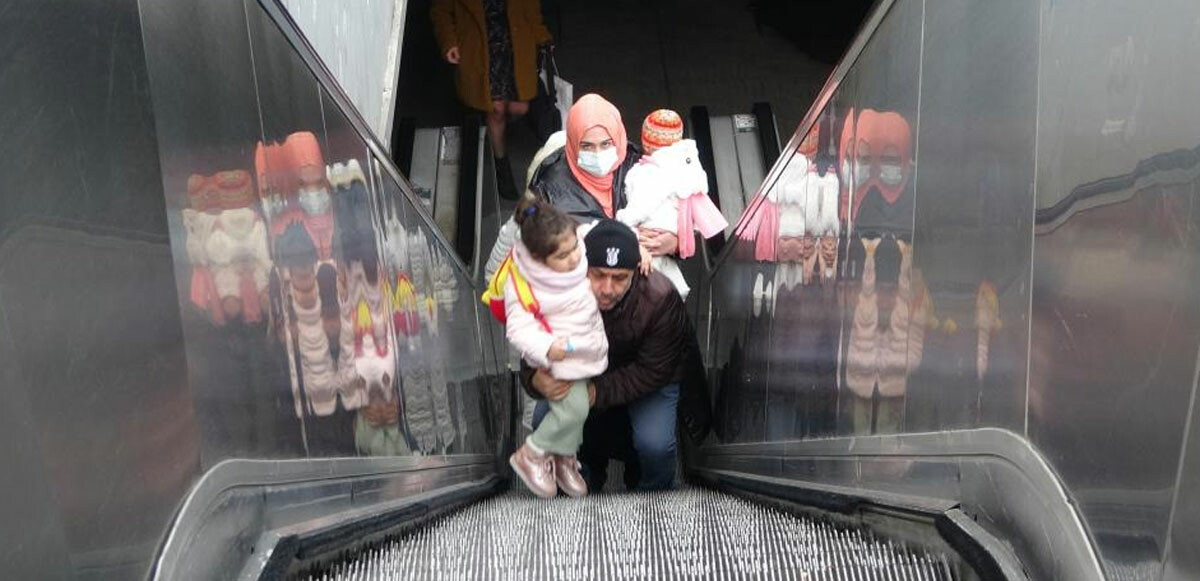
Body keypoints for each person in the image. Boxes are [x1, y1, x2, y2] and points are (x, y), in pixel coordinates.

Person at [522, 220, 710, 491]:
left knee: (655, 443)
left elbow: (653, 371)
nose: (607, 288)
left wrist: (595, 393)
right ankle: (583, 475)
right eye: (598, 275)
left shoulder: (660, 298)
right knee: (544, 420)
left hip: (650, 380)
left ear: (636, 270)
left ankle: (654, 493)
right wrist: (535, 380)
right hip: (584, 375)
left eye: (619, 277)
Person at [503, 199, 608, 499]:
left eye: (575, 247)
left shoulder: (576, 242)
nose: (575, 257)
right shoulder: (524, 283)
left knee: (581, 409)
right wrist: (547, 348)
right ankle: (531, 453)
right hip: (561, 357)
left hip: (587, 349)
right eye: (563, 256)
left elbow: (599, 231)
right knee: (572, 410)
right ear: (538, 257)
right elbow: (518, 328)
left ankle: (563, 460)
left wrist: (637, 244)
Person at [431, 0, 552, 200]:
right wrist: (449, 41)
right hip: (480, 52)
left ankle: (502, 129)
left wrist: (541, 36)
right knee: (495, 111)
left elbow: (531, 10)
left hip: (515, 49)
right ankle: (501, 166)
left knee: (520, 106)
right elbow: (440, 11)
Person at [618, 109, 727, 299]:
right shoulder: (686, 168)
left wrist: (621, 221)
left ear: (645, 141)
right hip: (662, 239)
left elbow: (642, 207)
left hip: (647, 237)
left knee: (647, 291)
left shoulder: (650, 171)